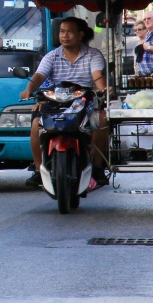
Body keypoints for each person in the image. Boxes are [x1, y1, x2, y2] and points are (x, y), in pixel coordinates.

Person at [20, 17, 109, 188]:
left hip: (84, 102)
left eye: (69, 31)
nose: (65, 35)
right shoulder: (52, 56)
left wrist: (103, 88)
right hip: (55, 103)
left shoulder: (93, 54)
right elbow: (39, 76)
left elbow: (97, 75)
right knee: (36, 124)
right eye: (62, 31)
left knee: (102, 120)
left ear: (80, 34)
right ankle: (39, 170)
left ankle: (98, 168)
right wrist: (29, 90)